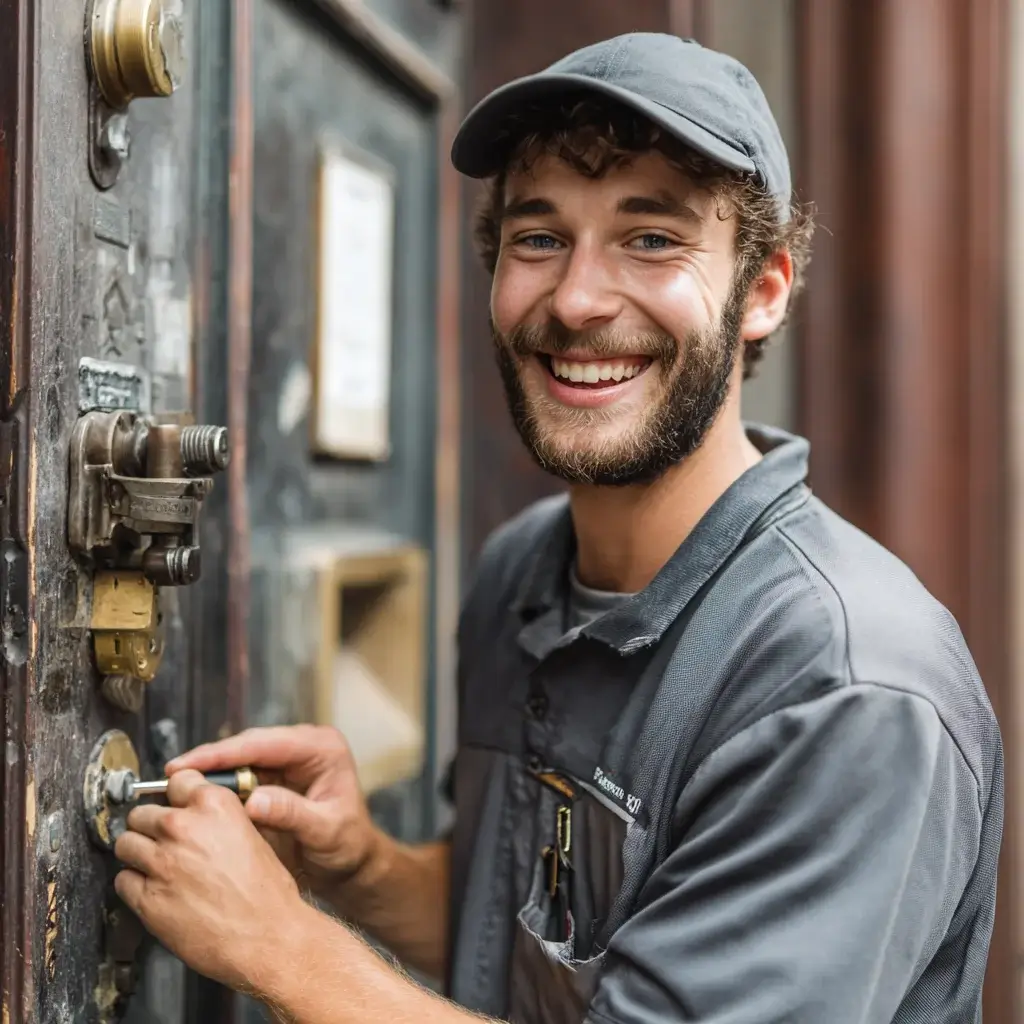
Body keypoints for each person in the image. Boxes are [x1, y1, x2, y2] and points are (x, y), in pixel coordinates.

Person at [113, 33, 1003, 1024]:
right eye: (539, 238)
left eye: (651, 238)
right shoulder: (521, 571)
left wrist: (288, 948)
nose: (578, 299)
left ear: (762, 292)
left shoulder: (846, 688)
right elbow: (552, 950)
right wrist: (361, 867)